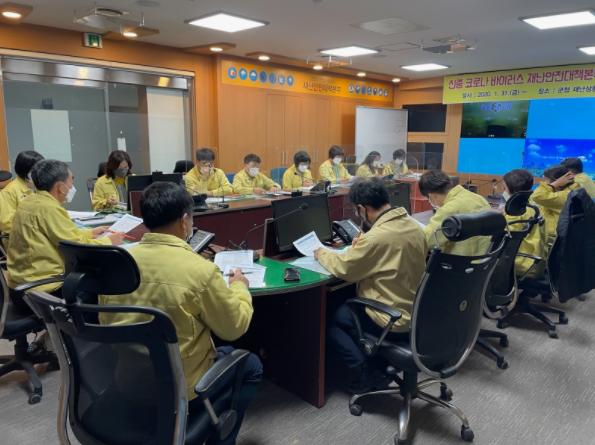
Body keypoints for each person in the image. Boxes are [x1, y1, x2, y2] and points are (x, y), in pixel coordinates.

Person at [99, 182, 262, 444]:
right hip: (182, 389)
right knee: (250, 365)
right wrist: (240, 287)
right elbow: (234, 327)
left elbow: (105, 323)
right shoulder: (199, 270)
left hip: (127, 382)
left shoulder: (116, 264)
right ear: (185, 221)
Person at [314, 178, 427, 392]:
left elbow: (344, 268)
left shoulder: (376, 237)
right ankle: (379, 363)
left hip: (390, 319)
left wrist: (321, 253)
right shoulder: (415, 227)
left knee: (330, 320)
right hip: (416, 313)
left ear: (362, 208)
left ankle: (366, 373)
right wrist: (362, 247)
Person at [7, 160, 124, 302]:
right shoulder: (49, 209)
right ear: (61, 187)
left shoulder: (30, 201)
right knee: (100, 286)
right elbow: (77, 248)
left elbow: (63, 235)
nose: (72, 187)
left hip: (20, 285)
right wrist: (109, 241)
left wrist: (90, 233)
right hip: (41, 291)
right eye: (71, 181)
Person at [419, 170, 491, 256]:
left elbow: (427, 241)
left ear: (431, 196)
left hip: (458, 262)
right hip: (484, 260)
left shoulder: (449, 209)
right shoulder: (480, 199)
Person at [501, 169, 545, 277]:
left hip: (521, 263)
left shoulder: (516, 213)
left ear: (512, 189)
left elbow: (503, 238)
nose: (503, 190)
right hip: (535, 261)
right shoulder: (533, 206)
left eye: (504, 187)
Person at [531, 165, 579, 246]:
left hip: (555, 240)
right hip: (555, 236)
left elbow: (537, 196)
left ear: (559, 181)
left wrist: (554, 184)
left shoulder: (566, 195)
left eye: (546, 180)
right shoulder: (568, 190)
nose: (544, 183)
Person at [0, 150, 44, 233]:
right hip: (20, 236)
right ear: (26, 170)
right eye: (37, 170)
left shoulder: (37, 186)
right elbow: (5, 223)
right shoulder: (9, 192)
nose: (41, 173)